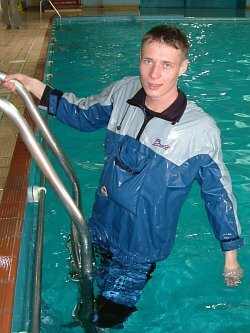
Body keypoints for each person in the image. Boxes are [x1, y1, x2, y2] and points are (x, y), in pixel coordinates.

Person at [2, 25, 243, 330]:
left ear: (183, 67)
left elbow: (217, 193)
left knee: (106, 318)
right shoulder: (124, 92)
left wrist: (230, 254)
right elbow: (81, 113)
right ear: (139, 59)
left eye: (166, 65)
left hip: (139, 248)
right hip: (101, 226)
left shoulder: (199, 130)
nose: (154, 75)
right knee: (81, 278)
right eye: (148, 61)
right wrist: (30, 84)